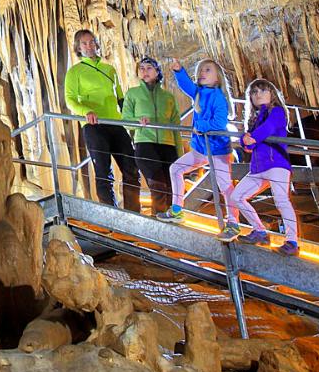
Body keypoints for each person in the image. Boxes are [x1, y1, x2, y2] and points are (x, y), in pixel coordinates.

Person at [157, 58, 240, 241]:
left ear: (217, 77)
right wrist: (179, 70)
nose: (202, 72)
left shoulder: (218, 97)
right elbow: (187, 86)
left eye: (207, 70)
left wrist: (200, 125)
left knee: (225, 186)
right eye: (200, 69)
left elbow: (219, 123)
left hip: (217, 150)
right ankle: (177, 209)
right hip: (201, 148)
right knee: (176, 169)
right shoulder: (199, 93)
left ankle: (233, 223)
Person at [64, 29, 141, 212]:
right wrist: (86, 110)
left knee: (131, 168)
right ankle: (111, 213)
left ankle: (133, 213)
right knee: (103, 172)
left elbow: (121, 98)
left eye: (91, 42)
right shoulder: (75, 72)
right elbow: (70, 99)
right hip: (94, 126)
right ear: (78, 47)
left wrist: (132, 121)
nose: (89, 46)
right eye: (84, 43)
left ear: (96, 43)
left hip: (115, 123)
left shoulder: (110, 69)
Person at [234, 79, 300, 256]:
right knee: (236, 196)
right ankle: (260, 231)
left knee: (281, 200)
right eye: (254, 92)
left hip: (277, 164)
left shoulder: (277, 112)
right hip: (258, 168)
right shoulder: (255, 119)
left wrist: (252, 138)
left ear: (272, 94)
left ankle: (292, 241)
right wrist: (246, 141)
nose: (258, 94)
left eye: (263, 90)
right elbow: (247, 140)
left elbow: (269, 129)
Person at [121, 57, 182, 214]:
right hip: (145, 143)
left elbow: (176, 127)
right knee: (158, 186)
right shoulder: (132, 94)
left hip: (168, 145)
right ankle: (159, 224)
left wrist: (179, 154)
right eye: (141, 68)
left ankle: (169, 223)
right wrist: (137, 121)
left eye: (149, 68)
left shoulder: (168, 97)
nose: (144, 71)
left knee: (170, 188)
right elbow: (126, 121)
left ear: (157, 71)